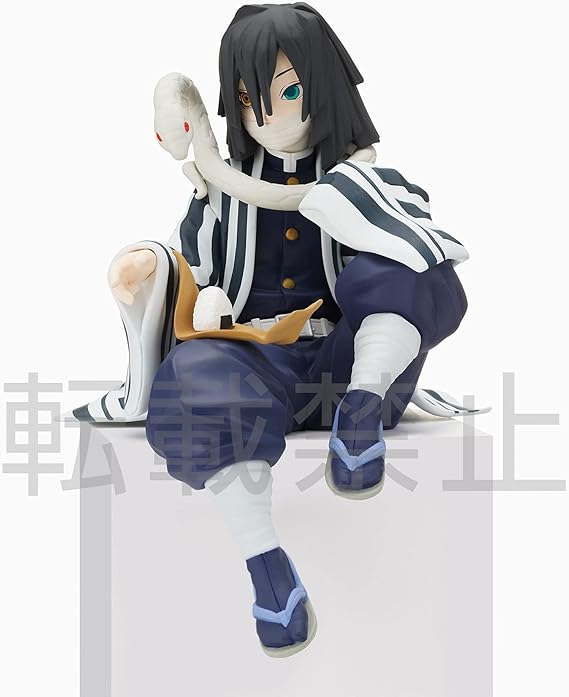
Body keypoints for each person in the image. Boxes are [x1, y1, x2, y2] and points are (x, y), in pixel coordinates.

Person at [76, 3, 469, 656]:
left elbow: (419, 261)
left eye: (287, 92)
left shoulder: (373, 185)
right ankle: (268, 568)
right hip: (257, 369)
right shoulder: (219, 193)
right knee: (195, 375)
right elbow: (194, 269)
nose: (267, 115)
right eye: (247, 99)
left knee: (409, 266)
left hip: (348, 367)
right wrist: (148, 267)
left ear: (325, 88)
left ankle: (361, 413)